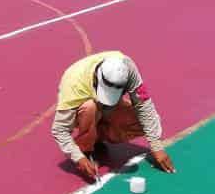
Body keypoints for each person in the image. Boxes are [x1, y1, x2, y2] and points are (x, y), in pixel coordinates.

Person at [51, 51, 175, 182]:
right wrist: (78, 157)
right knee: (90, 107)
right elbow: (59, 130)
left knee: (144, 123)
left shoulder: (128, 69)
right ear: (96, 78)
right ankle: (85, 148)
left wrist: (156, 146)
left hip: (110, 108)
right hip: (84, 110)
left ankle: (97, 136)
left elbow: (144, 106)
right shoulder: (74, 85)